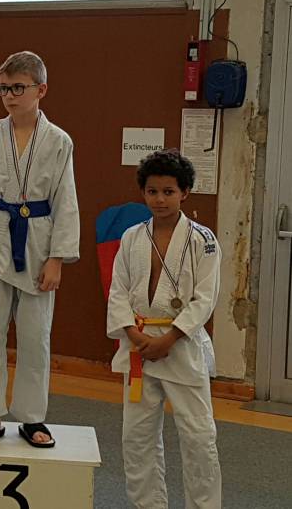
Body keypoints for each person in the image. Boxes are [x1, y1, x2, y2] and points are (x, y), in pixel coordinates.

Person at [0, 51, 79, 447]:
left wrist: (57, 259)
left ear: (41, 90)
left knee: (35, 337)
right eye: (4, 88)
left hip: (38, 242)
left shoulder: (59, 141)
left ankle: (32, 417)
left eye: (18, 88)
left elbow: (66, 201)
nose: (9, 96)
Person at [107, 149, 222, 508]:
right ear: (143, 192)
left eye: (168, 192)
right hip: (140, 346)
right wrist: (132, 333)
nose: (160, 199)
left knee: (199, 437)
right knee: (137, 438)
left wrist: (170, 337)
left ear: (185, 192)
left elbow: (205, 299)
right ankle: (147, 505)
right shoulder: (131, 237)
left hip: (181, 345)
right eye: (152, 191)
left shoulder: (203, 240)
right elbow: (117, 291)